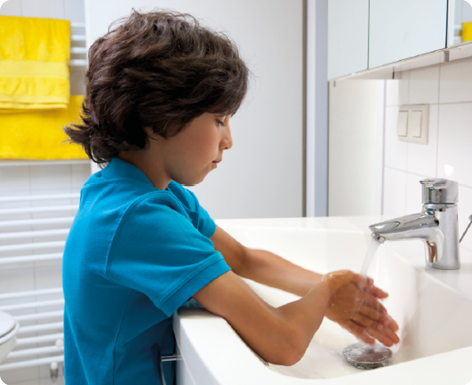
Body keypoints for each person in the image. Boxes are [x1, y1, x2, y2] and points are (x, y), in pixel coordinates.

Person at [62, 9, 399, 385]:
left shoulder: (142, 192)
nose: (229, 140)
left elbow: (242, 258)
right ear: (159, 115)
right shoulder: (138, 218)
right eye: (219, 119)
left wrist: (329, 292)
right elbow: (284, 342)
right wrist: (328, 290)